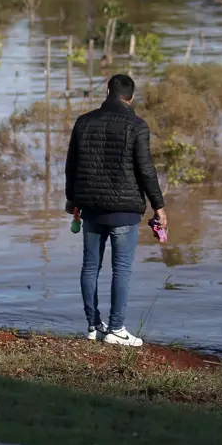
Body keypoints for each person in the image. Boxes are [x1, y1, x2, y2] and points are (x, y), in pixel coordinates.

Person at [65, 73, 166, 347]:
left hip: (91, 209)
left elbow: (71, 165)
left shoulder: (84, 122)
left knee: (90, 266)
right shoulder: (136, 125)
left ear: (107, 90)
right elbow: (145, 170)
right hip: (124, 209)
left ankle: (93, 326)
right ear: (131, 98)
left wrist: (72, 199)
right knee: (121, 269)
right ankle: (117, 329)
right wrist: (159, 206)